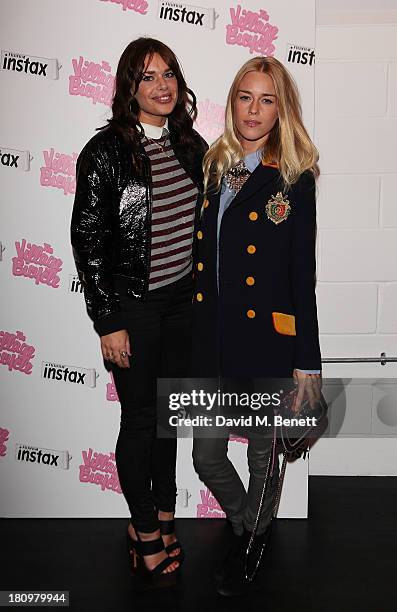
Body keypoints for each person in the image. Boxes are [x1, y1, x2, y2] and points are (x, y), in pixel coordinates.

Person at [71, 37, 207, 586]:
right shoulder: (104, 153)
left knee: (168, 419)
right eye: (148, 76)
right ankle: (145, 532)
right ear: (130, 87)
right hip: (134, 306)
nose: (163, 85)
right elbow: (88, 240)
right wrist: (108, 320)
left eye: (169, 73)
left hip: (181, 305)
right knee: (141, 421)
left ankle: (164, 519)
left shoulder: (191, 145)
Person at [191, 56, 322, 596]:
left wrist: (306, 363)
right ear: (232, 102)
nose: (254, 109)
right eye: (246, 96)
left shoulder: (294, 178)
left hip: (269, 342)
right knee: (206, 455)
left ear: (281, 108)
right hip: (212, 341)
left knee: (263, 457)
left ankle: (251, 544)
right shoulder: (215, 165)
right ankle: (250, 524)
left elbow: (301, 277)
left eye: (267, 99)